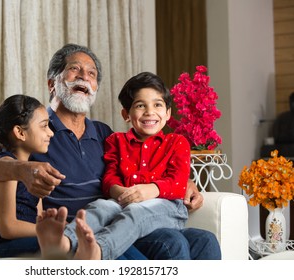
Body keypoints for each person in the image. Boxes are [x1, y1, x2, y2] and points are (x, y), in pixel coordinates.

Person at [0, 43, 220, 259]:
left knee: (204, 241)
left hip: (115, 221)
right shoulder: (35, 130)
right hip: (79, 229)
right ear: (52, 83)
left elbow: (141, 166)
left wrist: (183, 182)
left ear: (96, 88)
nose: (84, 77)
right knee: (171, 243)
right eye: (74, 69)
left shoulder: (105, 134)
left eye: (92, 73)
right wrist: (22, 169)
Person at [35, 71, 191, 260]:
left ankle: (98, 251)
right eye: (140, 105)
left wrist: (152, 189)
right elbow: (109, 177)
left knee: (136, 211)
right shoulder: (116, 140)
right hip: (125, 202)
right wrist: (118, 191)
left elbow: (179, 182)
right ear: (126, 114)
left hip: (167, 207)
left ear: (167, 113)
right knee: (101, 207)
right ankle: (64, 241)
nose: (150, 112)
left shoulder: (177, 142)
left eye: (157, 105)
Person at [0, 95, 54, 257]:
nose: (51, 133)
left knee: (73, 241)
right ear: (19, 132)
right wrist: (49, 231)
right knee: (61, 245)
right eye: (44, 126)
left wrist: (57, 225)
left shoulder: (33, 168)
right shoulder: (7, 166)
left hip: (24, 240)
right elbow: (8, 228)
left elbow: (38, 216)